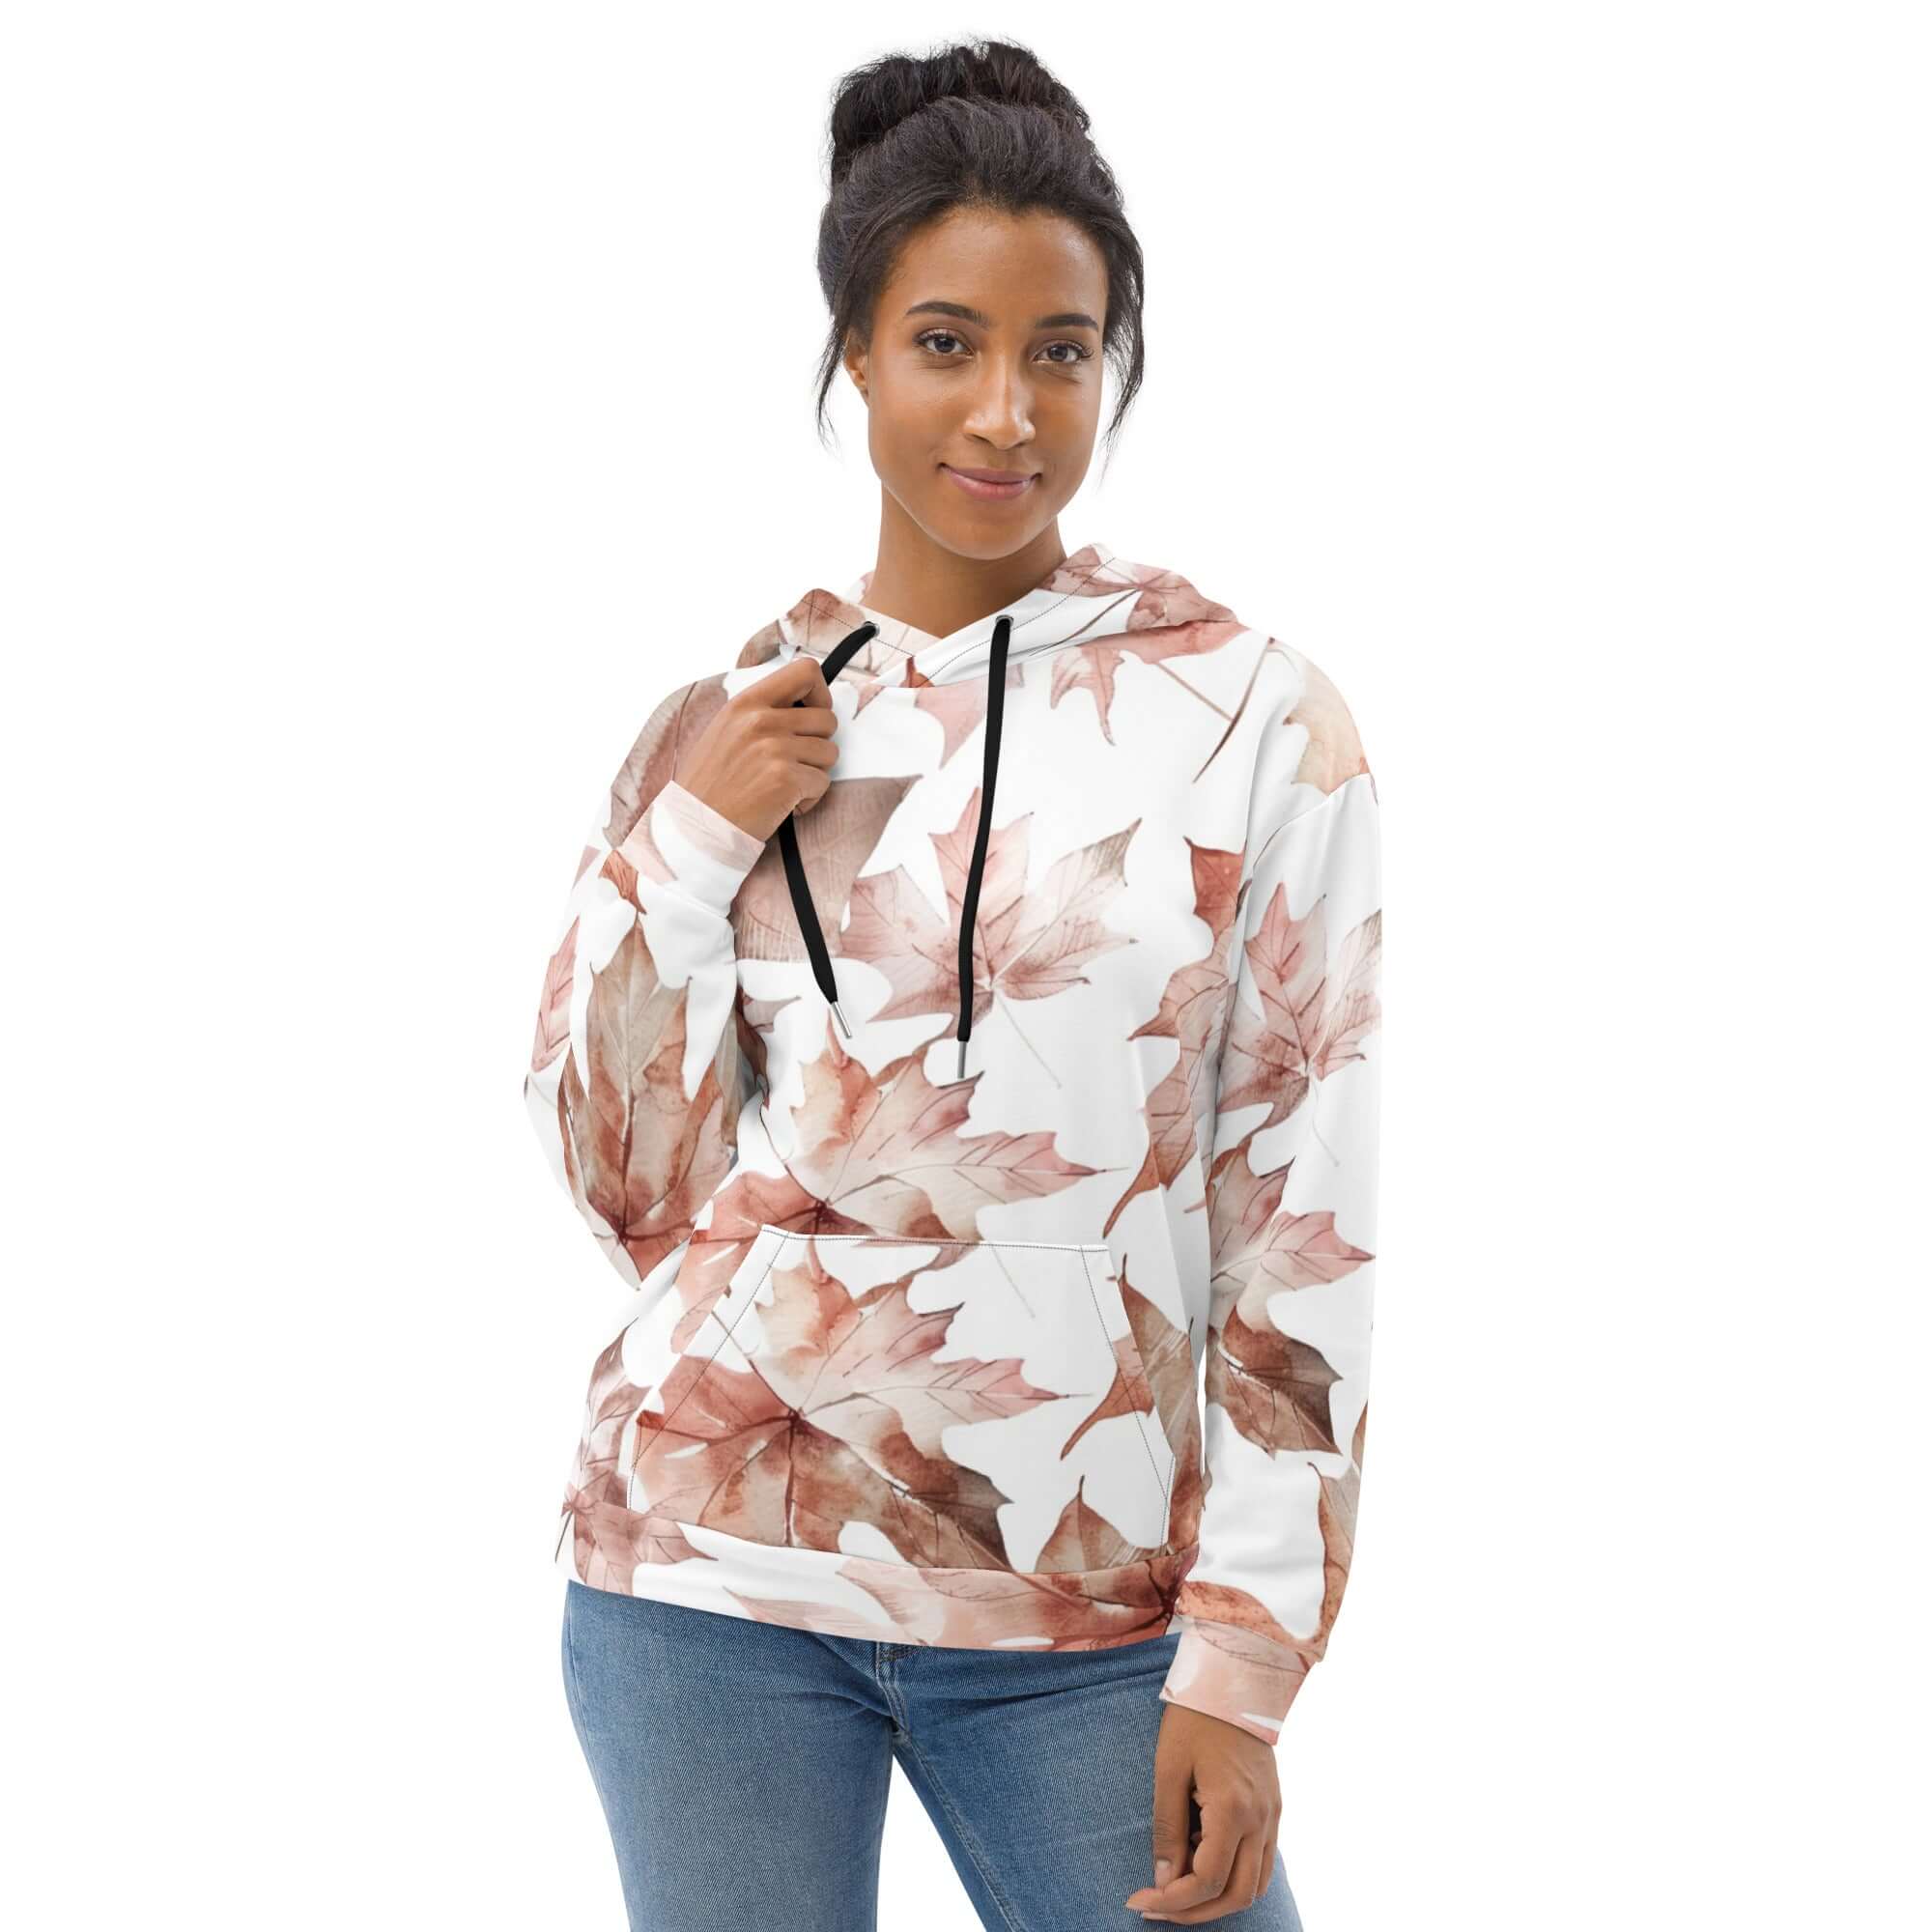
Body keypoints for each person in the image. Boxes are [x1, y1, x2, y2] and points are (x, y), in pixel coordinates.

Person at [523, 37, 1381, 1932]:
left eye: (1059, 351)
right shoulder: (729, 723)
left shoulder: (1246, 719)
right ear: (853, 353)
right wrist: (688, 840)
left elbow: (1299, 1208)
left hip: (1090, 1612)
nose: (1005, 411)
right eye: (943, 343)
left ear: (1110, 364)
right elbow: (631, 1192)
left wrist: (1246, 1659)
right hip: (703, 1583)